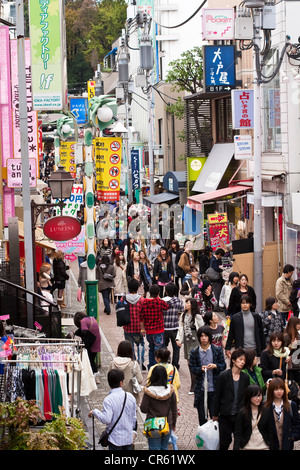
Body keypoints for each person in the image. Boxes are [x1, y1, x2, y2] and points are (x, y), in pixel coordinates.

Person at [88, 369, 137, 450]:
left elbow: (106, 419)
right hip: (128, 438)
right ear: (121, 382)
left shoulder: (108, 400)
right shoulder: (130, 397)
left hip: (115, 439)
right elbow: (134, 418)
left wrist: (95, 412)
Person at [212, 348, 250, 451]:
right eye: (240, 359)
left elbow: (246, 397)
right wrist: (215, 414)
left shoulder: (245, 378)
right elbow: (217, 396)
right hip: (225, 415)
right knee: (224, 442)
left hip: (239, 414)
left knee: (238, 442)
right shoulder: (223, 376)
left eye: (244, 360)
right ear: (233, 360)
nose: (242, 362)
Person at [189, 325, 226, 425]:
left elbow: (223, 366)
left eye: (205, 336)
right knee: (202, 417)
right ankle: (204, 439)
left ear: (209, 337)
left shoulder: (217, 350)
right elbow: (193, 369)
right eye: (201, 336)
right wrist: (200, 369)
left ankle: (216, 438)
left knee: (215, 416)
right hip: (201, 390)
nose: (203, 338)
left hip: (214, 389)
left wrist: (215, 366)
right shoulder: (194, 352)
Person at [140, 365, 177, 451]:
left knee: (154, 448)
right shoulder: (170, 391)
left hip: (153, 425)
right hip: (167, 423)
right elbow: (174, 409)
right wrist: (173, 424)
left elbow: (143, 409)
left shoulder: (149, 391)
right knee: (164, 448)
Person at [176, 298, 204, 394]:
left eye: (188, 303)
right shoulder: (183, 315)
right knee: (189, 361)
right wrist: (178, 339)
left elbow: (202, 328)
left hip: (195, 339)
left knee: (192, 360)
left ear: (192, 305)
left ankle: (194, 385)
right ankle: (195, 382)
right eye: (186, 303)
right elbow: (181, 328)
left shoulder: (197, 316)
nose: (186, 304)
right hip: (187, 340)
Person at [225, 294, 266, 359]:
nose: (245, 305)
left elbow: (261, 333)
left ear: (250, 304)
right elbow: (231, 333)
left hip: (254, 349)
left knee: (254, 368)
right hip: (241, 349)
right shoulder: (235, 318)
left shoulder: (256, 317)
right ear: (240, 304)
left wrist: (264, 348)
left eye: (247, 303)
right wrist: (228, 348)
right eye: (243, 303)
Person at [264, 377, 300, 450]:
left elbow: (297, 424)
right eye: (276, 389)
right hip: (270, 445)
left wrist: (292, 437)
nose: (279, 391)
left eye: (281, 389)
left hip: (287, 444)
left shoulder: (291, 405)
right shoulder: (265, 406)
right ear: (271, 390)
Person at [140, 284, 170, 368]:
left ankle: (151, 366)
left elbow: (141, 317)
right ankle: (158, 367)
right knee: (159, 350)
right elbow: (167, 307)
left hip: (149, 331)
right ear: (158, 293)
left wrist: (142, 329)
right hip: (158, 331)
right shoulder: (160, 302)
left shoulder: (144, 302)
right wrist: (159, 298)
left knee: (151, 348)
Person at [233, 384, 271, 450]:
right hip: (247, 447)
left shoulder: (266, 411)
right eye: (255, 396)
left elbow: (270, 431)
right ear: (249, 397)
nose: (258, 398)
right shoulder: (242, 412)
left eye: (260, 395)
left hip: (263, 446)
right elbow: (238, 433)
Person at [109, 340, 143, 405]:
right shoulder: (134, 364)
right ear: (131, 351)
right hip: (130, 398)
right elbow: (140, 380)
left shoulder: (112, 363)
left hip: (116, 397)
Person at [123, 278, 146, 370]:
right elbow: (144, 316)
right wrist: (143, 328)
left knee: (130, 347)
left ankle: (133, 362)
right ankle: (141, 361)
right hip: (139, 328)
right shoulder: (142, 300)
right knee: (141, 344)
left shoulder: (123, 299)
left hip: (128, 327)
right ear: (137, 288)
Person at [163, 282, 183, 370]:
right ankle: (175, 365)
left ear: (166, 291)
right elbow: (181, 313)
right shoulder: (179, 301)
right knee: (176, 348)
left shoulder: (162, 301)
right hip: (175, 327)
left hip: (164, 328)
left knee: (164, 346)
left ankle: (166, 360)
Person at [283, 316, 300, 384]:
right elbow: (283, 350)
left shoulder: (298, 334)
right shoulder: (286, 336)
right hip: (291, 364)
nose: (299, 325)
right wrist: (291, 347)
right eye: (297, 324)